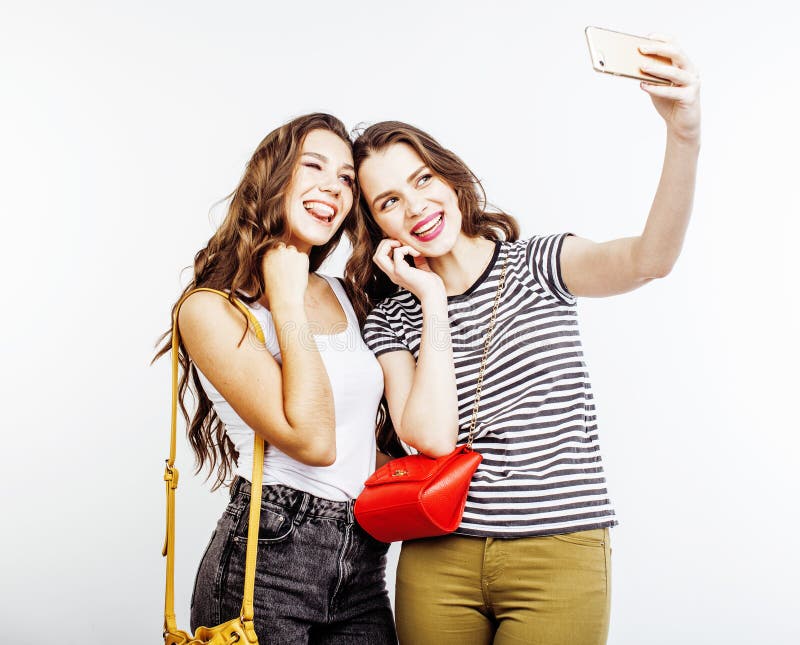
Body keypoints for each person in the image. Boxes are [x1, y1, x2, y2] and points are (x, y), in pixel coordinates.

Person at [344, 37, 701, 645]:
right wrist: (430, 300)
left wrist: (684, 136)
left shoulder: (540, 264)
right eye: (390, 201)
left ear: (450, 178)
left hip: (557, 551)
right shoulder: (394, 316)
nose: (417, 207)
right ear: (377, 225)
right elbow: (430, 437)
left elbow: (650, 260)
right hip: (438, 558)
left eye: (423, 179)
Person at [155, 113, 398, 644]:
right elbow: (313, 440)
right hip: (266, 565)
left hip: (364, 562)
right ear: (273, 177)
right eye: (313, 166)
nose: (332, 188)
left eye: (346, 179)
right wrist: (286, 298)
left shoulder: (343, 294)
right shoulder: (211, 310)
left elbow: (357, 440)